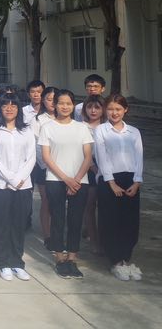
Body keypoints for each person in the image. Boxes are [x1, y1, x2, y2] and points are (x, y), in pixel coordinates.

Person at [39, 89, 93, 279]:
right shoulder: (47, 127)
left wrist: (76, 179)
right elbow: (47, 158)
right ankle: (60, 258)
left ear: (73, 105)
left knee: (75, 220)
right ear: (55, 105)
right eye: (61, 103)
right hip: (55, 180)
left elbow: (88, 156)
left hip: (80, 181)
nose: (64, 106)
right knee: (58, 219)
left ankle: (72, 258)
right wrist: (66, 179)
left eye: (68, 103)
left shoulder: (82, 128)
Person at [0, 94, 36, 281]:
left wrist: (18, 179)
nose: (9, 108)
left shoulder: (26, 130)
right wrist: (11, 179)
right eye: (5, 105)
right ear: (0, 108)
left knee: (18, 225)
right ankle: (3, 263)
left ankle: (17, 263)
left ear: (19, 109)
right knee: (1, 225)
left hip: (23, 185)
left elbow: (31, 157)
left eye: (13, 105)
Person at [94, 95, 143, 281]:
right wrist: (111, 182)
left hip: (130, 180)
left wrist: (137, 182)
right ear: (105, 110)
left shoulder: (134, 132)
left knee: (130, 221)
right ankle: (115, 261)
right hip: (109, 180)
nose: (114, 113)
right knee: (110, 221)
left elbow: (139, 157)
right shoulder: (101, 130)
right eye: (111, 109)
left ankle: (125, 259)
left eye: (118, 109)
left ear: (125, 110)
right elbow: (102, 157)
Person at [30, 86, 56, 246]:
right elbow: (37, 146)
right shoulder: (38, 120)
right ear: (43, 100)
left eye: (55, 99)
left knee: (59, 202)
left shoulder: (66, 118)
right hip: (44, 167)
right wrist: (48, 165)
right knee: (46, 200)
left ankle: (57, 232)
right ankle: (47, 235)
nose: (52, 102)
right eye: (49, 99)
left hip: (65, 168)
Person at [81, 95, 105, 255]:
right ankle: (94, 241)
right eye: (90, 107)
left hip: (107, 169)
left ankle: (105, 239)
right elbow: (81, 151)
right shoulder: (81, 127)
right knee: (89, 206)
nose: (93, 110)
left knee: (105, 206)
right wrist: (94, 168)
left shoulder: (108, 127)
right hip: (88, 169)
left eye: (97, 107)